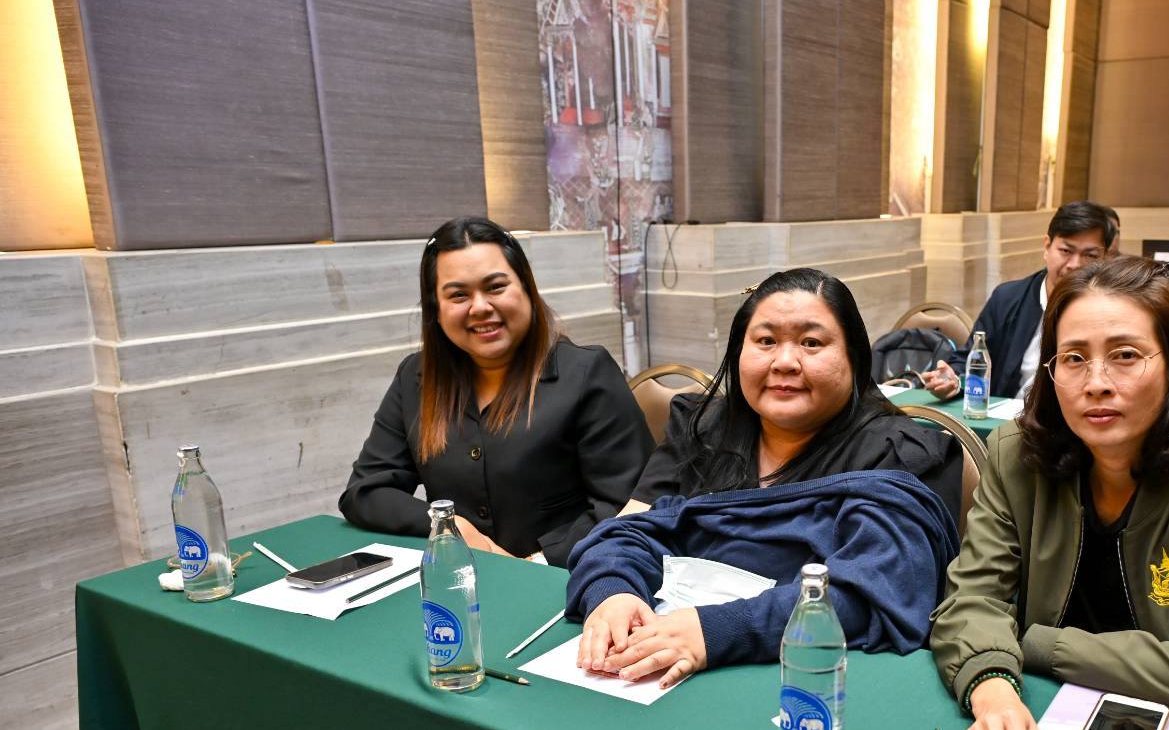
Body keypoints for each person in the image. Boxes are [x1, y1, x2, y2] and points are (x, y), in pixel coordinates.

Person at [930, 256, 1169, 730]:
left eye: (1125, 356)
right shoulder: (1016, 454)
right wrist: (992, 683)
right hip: (1047, 709)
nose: (1096, 383)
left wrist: (1035, 644)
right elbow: (972, 598)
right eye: (1073, 358)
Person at [569, 266, 963, 688]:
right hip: (664, 665)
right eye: (766, 341)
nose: (785, 362)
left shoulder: (899, 455)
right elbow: (628, 533)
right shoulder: (703, 429)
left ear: (854, 357)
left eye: (811, 343)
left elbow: (875, 593)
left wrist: (716, 630)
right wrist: (614, 592)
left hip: (814, 680)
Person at [339, 216, 654, 565]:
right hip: (459, 578)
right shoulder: (415, 377)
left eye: (495, 287)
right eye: (458, 295)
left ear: (527, 288)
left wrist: (537, 561)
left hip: (570, 577)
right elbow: (365, 492)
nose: (480, 307)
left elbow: (631, 504)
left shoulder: (587, 372)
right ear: (436, 309)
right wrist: (448, 523)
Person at [920, 201, 1116, 402]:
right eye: (1066, 251)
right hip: (1007, 415)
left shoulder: (1113, 311)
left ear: (1105, 258)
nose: (1075, 265)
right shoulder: (1007, 299)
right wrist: (953, 380)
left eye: (1090, 255)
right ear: (1047, 246)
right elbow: (970, 360)